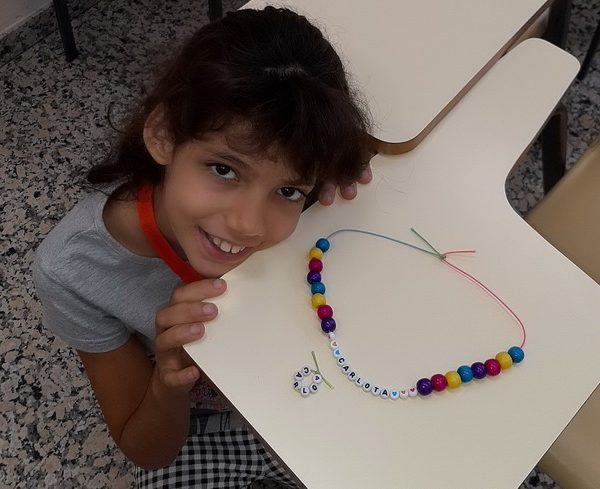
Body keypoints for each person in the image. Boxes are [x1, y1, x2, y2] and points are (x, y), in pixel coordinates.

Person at [32, 6, 372, 488]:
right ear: (163, 135)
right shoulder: (74, 270)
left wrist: (343, 176)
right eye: (224, 170)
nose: (248, 225)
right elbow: (146, 449)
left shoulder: (310, 202)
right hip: (202, 420)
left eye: (288, 190)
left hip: (308, 374)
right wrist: (170, 375)